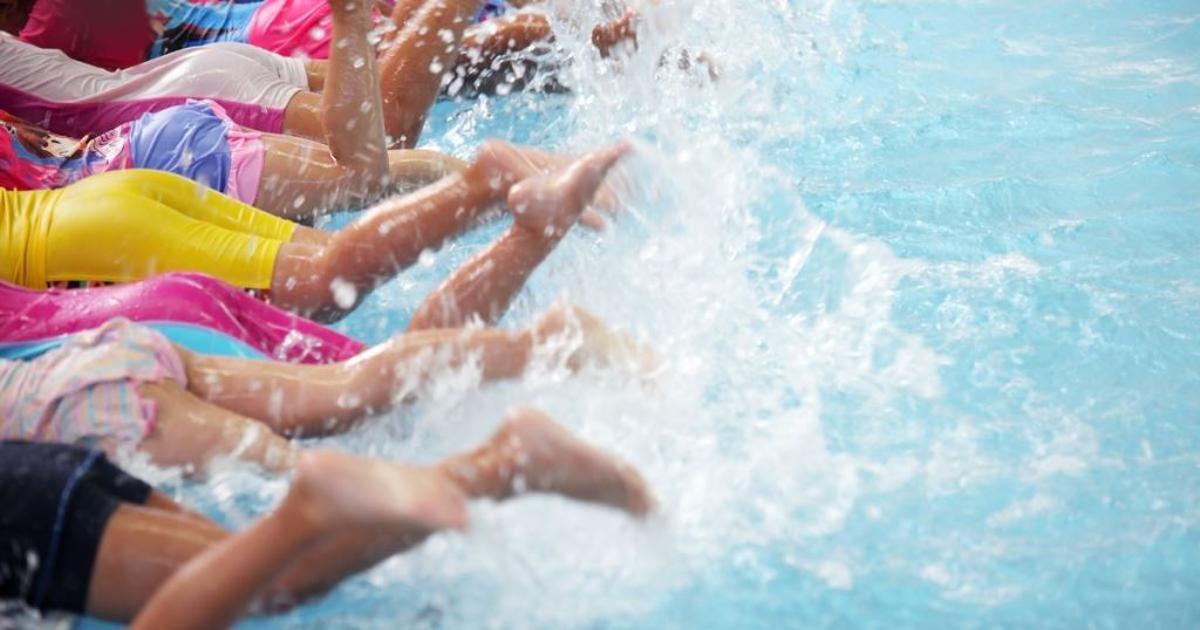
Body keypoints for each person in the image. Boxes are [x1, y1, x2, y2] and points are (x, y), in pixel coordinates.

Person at [0, 409, 653, 625]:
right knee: (271, 578)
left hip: (23, 505)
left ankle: (310, 509)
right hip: (27, 474)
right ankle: (507, 462)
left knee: (276, 573)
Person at [1, 136, 631, 322]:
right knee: (334, 279)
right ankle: (513, 201)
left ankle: (480, 186)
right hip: (101, 197)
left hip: (74, 243)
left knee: (325, 286)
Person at [0, 305, 653, 472]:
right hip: (96, 357)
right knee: (346, 388)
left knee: (301, 487)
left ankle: (500, 466)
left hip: (73, 406)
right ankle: (549, 341)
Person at [0, 0, 491, 150]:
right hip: (258, 32)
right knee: (433, 64)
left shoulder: (42, 30)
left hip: (222, 76)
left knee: (386, 136)